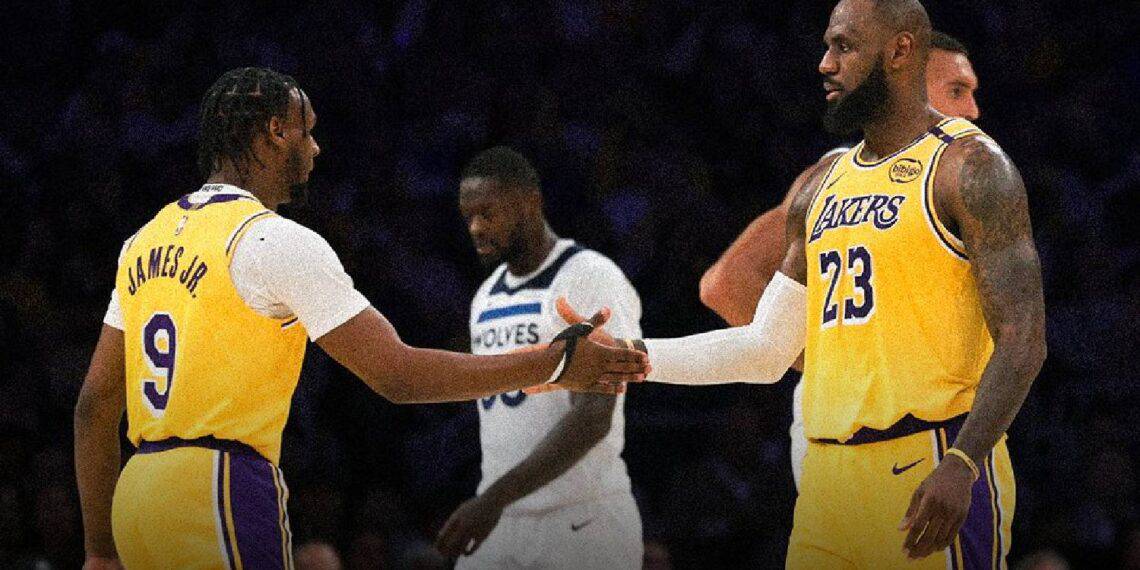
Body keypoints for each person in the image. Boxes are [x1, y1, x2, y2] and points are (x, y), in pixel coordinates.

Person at [73, 68, 648, 570]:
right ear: (275, 132)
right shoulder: (272, 240)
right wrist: (557, 362)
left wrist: (99, 549)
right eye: (307, 130)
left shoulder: (141, 242)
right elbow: (398, 375)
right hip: (215, 486)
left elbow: (95, 406)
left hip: (136, 496)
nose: (316, 147)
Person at [559, 0, 1046, 566]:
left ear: (899, 51)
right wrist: (626, 356)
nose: (825, 63)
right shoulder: (821, 184)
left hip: (930, 461)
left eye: (844, 46)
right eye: (827, 45)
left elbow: (1023, 340)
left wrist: (963, 462)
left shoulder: (971, 168)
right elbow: (767, 349)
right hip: (826, 482)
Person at [699, 30, 981, 491]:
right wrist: (836, 364)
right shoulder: (836, 174)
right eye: (956, 91)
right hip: (862, 427)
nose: (972, 111)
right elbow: (727, 285)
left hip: (924, 422)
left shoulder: (965, 183)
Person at [434, 147, 643, 569]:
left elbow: (594, 417)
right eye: (468, 216)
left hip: (582, 519)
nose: (475, 228)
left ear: (530, 202)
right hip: (503, 514)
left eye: (487, 213)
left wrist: (493, 499)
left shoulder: (589, 275)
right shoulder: (486, 295)